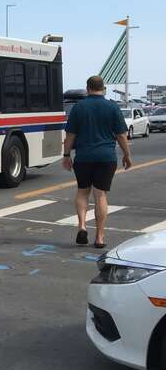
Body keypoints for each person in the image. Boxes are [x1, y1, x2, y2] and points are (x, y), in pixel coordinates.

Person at [62, 75, 132, 248]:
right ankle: (99, 237)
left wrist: (66, 155)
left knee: (82, 192)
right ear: (104, 89)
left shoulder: (79, 107)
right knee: (100, 195)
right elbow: (121, 135)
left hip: (83, 157)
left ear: (88, 88)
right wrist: (127, 155)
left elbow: (70, 135)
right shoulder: (112, 107)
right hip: (106, 157)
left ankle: (82, 226)